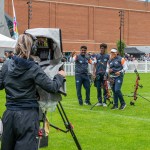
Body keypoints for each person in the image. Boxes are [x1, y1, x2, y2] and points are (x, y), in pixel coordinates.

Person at [0, 34, 65, 150]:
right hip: (27, 116)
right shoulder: (33, 68)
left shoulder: (6, 65)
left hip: (9, 115)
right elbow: (52, 87)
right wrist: (59, 76)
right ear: (33, 49)